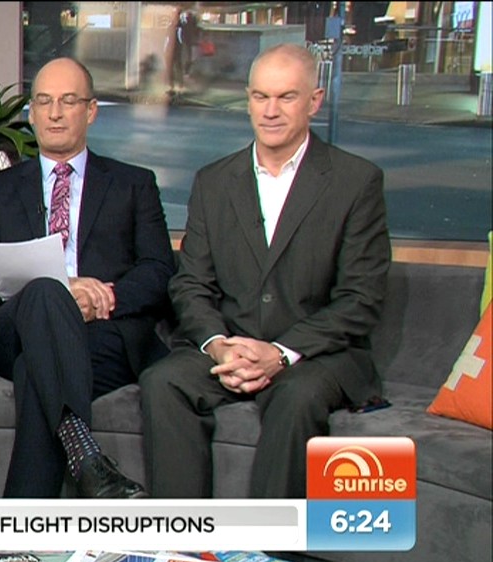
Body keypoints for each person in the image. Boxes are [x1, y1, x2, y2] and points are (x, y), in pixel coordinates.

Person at [140, 43, 391, 499]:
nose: (270, 111)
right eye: (260, 97)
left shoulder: (356, 182)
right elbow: (191, 284)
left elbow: (360, 299)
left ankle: (270, 544)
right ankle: (182, 535)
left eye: (286, 97)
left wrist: (279, 352)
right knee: (162, 381)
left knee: (297, 398)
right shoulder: (214, 181)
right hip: (230, 345)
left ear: (314, 101)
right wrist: (219, 346)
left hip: (314, 355)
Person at [0, 57, 176, 498]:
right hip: (14, 330)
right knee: (45, 292)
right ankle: (86, 457)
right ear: (32, 113)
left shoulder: (133, 184)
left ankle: (28, 517)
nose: (54, 113)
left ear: (91, 111)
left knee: (35, 368)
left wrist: (105, 296)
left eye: (68, 101)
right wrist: (62, 288)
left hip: (102, 333)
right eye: (43, 102)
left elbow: (159, 271)